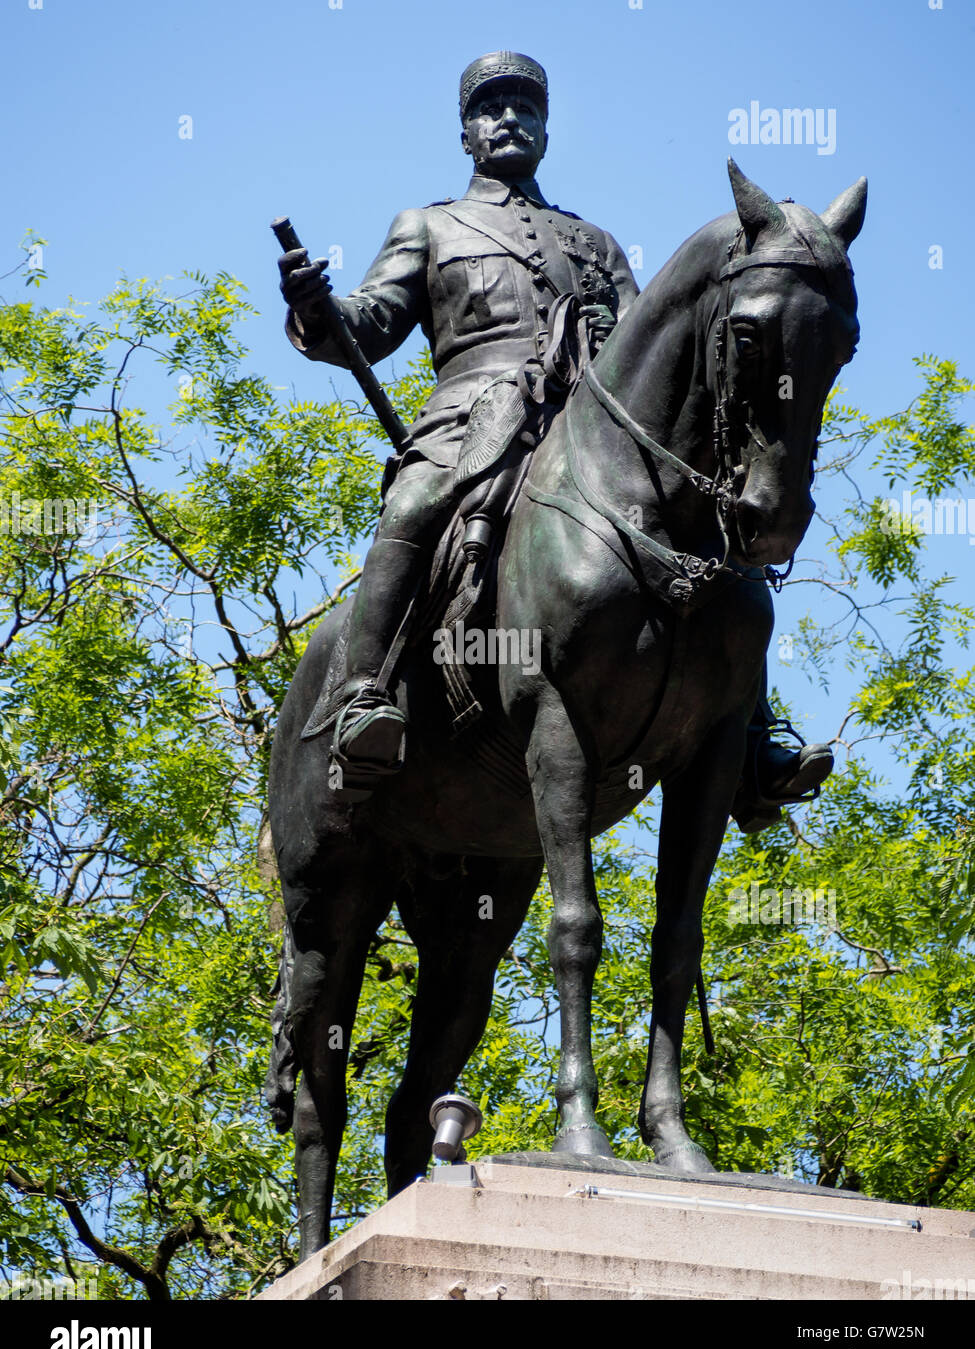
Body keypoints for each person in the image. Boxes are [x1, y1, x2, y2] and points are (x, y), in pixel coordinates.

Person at [279, 51, 832, 824]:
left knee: (712, 537)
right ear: (466, 133)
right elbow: (366, 328)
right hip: (474, 421)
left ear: (545, 128)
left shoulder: (594, 242)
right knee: (414, 504)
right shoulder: (430, 225)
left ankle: (748, 735)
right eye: (490, 108)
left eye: (526, 108)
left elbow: (652, 348)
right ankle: (365, 696)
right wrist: (316, 308)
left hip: (591, 427)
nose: (510, 119)